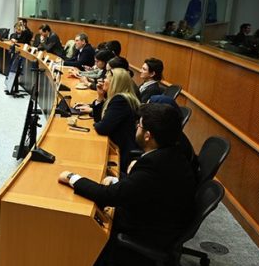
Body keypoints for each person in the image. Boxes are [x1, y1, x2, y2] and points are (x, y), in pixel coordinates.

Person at [58, 103, 196, 255]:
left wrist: (72, 177)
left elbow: (108, 196)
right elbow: (141, 188)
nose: (136, 126)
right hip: (162, 216)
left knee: (76, 218)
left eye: (139, 125)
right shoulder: (173, 153)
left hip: (147, 231)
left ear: (147, 135)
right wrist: (116, 182)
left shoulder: (154, 166)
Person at [75, 68, 140, 172]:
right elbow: (99, 119)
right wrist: (100, 97)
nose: (103, 80)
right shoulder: (119, 97)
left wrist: (95, 125)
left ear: (114, 83)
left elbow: (102, 128)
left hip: (120, 151)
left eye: (106, 78)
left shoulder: (120, 100)